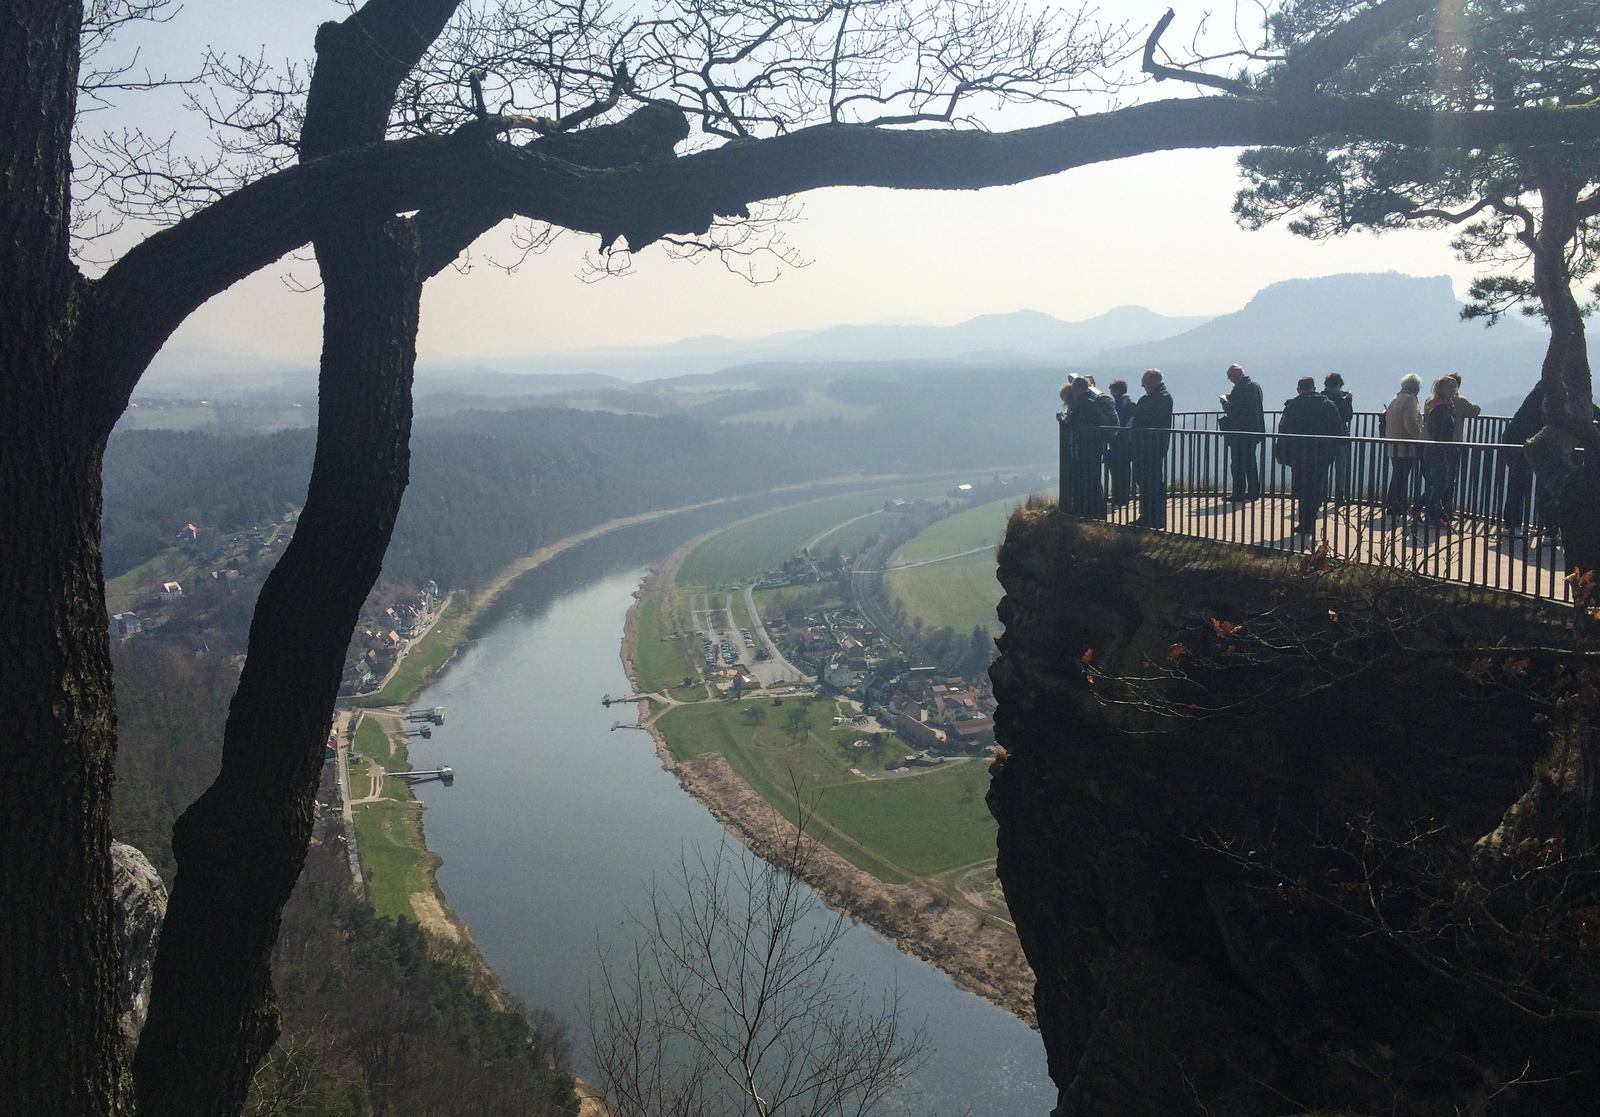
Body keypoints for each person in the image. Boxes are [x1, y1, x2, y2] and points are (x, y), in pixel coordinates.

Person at [1275, 376, 1345, 536]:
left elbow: (1283, 430)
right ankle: (1311, 520)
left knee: (1301, 487)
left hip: (1299, 454)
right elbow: (1338, 429)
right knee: (1316, 486)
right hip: (1322, 454)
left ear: (1299, 389)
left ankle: (1304, 522)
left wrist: (1282, 452)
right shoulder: (1328, 405)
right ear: (1313, 388)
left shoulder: (1293, 406)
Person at [1057, 376, 1114, 519]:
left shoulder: (1082, 403)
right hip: (1094, 447)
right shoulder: (1093, 401)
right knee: (1093, 480)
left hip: (1084, 448)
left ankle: (1086, 511)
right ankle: (1096, 511)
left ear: (1076, 388)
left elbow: (1073, 425)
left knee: (1085, 480)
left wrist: (1062, 421)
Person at [1130, 368, 1174, 529]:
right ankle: (1146, 515)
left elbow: (1148, 416)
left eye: (1145, 384)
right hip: (1146, 445)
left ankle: (1156, 517)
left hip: (1152, 446)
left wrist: (1135, 407)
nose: (1144, 387)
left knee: (1152, 482)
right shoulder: (1155, 397)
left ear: (1153, 382)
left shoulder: (1162, 397)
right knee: (1144, 481)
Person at [1420, 376, 1462, 527]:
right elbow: (1438, 431)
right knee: (1440, 483)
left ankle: (1423, 509)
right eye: (1449, 387)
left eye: (1454, 387)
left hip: (1438, 449)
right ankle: (1433, 514)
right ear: (1441, 389)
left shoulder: (1441, 406)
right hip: (1438, 450)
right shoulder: (1439, 409)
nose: (1453, 390)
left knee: (1436, 483)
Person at [1218, 363, 1263, 501]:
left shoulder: (1240, 389)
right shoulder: (1255, 386)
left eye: (1230, 377)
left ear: (1235, 375)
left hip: (1239, 432)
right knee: (1250, 461)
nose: (1230, 380)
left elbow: (1233, 410)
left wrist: (1224, 402)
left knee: (1237, 463)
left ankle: (1238, 493)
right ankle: (1254, 492)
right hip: (1254, 430)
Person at [1382, 373, 1425, 516]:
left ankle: (1392, 504)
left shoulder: (1396, 398)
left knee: (1398, 474)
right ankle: (1397, 504)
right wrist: (1420, 437)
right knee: (1402, 475)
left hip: (1393, 443)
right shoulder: (1410, 400)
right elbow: (1410, 423)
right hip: (1406, 445)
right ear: (1415, 388)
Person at [1321, 372, 1355, 503]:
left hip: (1324, 437)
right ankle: (1339, 495)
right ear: (1339, 386)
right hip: (1341, 436)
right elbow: (1347, 416)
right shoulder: (1340, 400)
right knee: (1341, 467)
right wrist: (1349, 400)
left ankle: (1322, 493)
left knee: (1323, 466)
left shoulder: (1320, 397)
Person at [1104, 378, 1135, 506]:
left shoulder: (1115, 404)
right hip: (1127, 443)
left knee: (1116, 471)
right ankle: (1124, 496)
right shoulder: (1130, 404)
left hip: (1117, 442)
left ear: (1115, 391)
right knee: (1125, 470)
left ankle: (1118, 496)